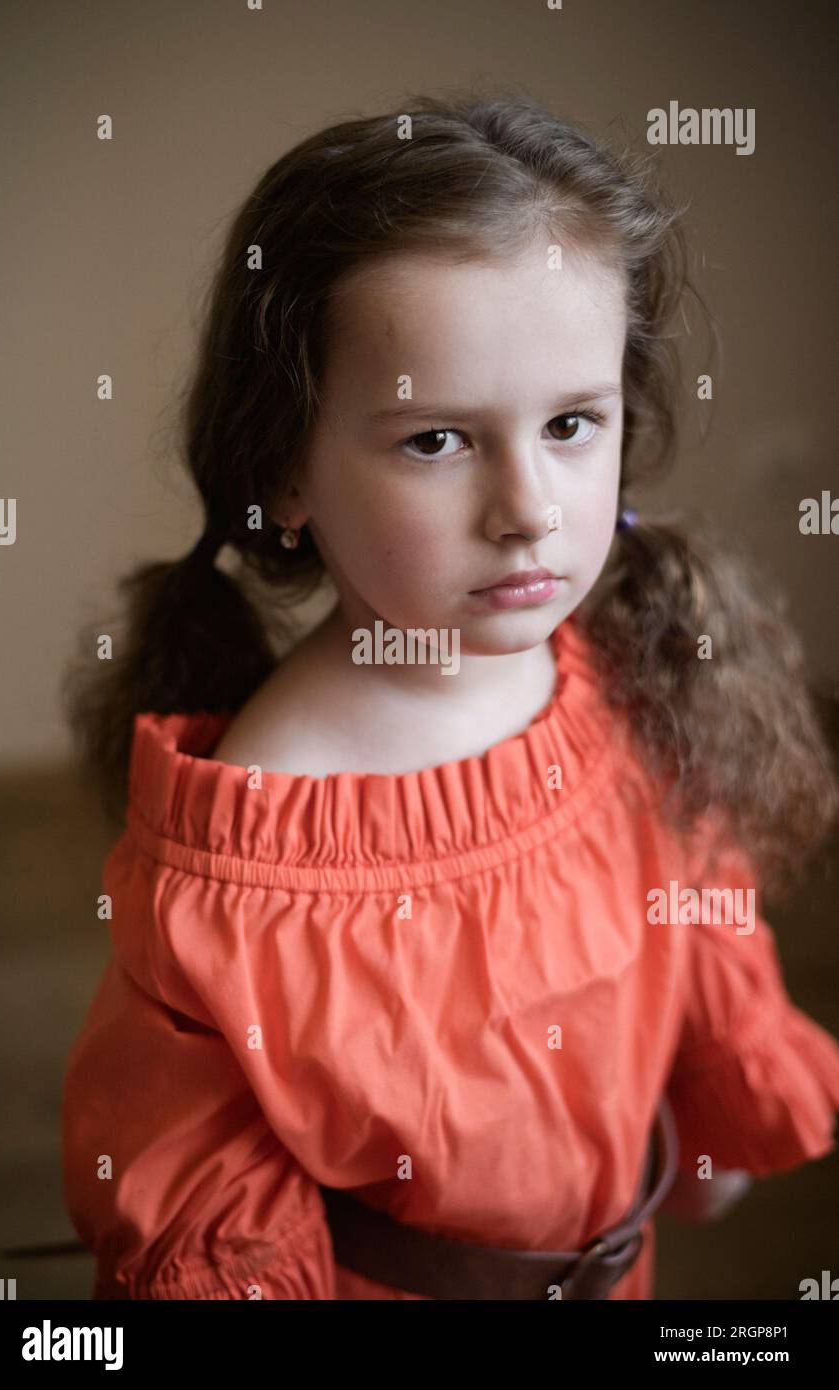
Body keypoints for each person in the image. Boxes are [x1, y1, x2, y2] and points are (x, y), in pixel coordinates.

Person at [60, 91, 839, 1300]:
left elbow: (695, 913)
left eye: (574, 422)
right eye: (437, 441)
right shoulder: (251, 855)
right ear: (286, 468)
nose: (528, 505)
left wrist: (716, 1090)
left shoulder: (628, 674)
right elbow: (200, 1193)